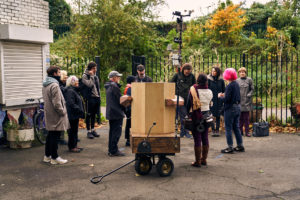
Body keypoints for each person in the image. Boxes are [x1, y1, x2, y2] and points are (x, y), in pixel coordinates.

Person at [42, 66, 69, 165]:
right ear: (54, 74)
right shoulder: (55, 85)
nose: (60, 74)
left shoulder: (45, 84)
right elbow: (57, 103)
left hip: (49, 113)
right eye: (58, 73)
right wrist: (62, 112)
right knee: (55, 136)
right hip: (56, 115)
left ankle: (47, 156)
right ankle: (55, 157)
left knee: (50, 135)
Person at [186, 73, 213, 167]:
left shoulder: (193, 90)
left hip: (196, 117)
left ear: (197, 81)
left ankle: (197, 161)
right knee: (205, 137)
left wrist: (187, 114)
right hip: (207, 116)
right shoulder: (210, 91)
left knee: (197, 138)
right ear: (206, 81)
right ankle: (204, 160)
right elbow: (210, 103)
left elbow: (188, 103)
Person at [218, 68, 245, 153]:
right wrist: (225, 95)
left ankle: (230, 147)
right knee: (236, 127)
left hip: (230, 108)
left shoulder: (229, 85)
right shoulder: (236, 84)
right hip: (237, 107)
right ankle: (240, 145)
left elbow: (227, 99)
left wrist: (220, 97)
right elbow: (233, 95)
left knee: (228, 128)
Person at [170, 63, 196, 138]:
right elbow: (171, 83)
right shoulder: (177, 75)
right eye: (186, 71)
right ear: (183, 70)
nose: (187, 73)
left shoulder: (192, 76)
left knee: (186, 115)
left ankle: (183, 132)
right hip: (179, 98)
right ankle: (186, 132)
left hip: (189, 98)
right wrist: (175, 92)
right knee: (183, 115)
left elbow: (194, 86)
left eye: (189, 71)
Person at [104, 71, 125, 156]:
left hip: (112, 112)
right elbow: (120, 99)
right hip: (116, 113)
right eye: (118, 77)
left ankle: (111, 149)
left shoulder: (109, 85)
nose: (119, 78)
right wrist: (125, 109)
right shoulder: (114, 86)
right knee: (116, 132)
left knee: (112, 132)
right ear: (114, 77)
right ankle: (114, 150)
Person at [64, 76, 85, 153]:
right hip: (72, 114)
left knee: (75, 130)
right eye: (76, 81)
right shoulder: (70, 91)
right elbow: (71, 103)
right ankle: (72, 146)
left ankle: (75, 145)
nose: (78, 83)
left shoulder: (74, 90)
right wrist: (79, 109)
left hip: (74, 114)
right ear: (72, 83)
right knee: (72, 131)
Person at [82, 62, 100, 139]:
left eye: (95, 68)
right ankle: (88, 131)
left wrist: (99, 97)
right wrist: (91, 76)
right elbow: (89, 85)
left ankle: (93, 129)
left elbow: (97, 87)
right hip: (90, 98)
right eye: (93, 68)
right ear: (90, 69)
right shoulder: (85, 76)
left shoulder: (95, 76)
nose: (95, 70)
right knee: (89, 114)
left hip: (96, 97)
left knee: (94, 114)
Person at [208, 66, 225, 137]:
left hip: (219, 100)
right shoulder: (208, 80)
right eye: (212, 71)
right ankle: (213, 129)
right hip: (211, 100)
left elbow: (224, 90)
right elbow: (207, 90)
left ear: (217, 72)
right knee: (211, 115)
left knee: (218, 115)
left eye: (214, 71)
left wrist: (222, 95)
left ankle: (217, 130)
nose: (213, 72)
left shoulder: (221, 80)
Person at [237, 67, 254, 137]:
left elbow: (252, 89)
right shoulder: (237, 81)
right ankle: (240, 131)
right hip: (239, 102)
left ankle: (247, 131)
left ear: (245, 73)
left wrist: (249, 95)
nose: (242, 73)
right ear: (239, 73)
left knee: (246, 118)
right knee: (240, 118)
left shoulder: (249, 80)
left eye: (243, 72)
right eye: (240, 72)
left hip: (247, 102)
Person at [124, 75, 136, 147]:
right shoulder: (130, 89)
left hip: (128, 109)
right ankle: (128, 139)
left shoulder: (128, 88)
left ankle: (128, 139)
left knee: (129, 123)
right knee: (130, 124)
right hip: (130, 109)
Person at [58, 70, 68, 145]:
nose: (66, 77)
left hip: (64, 103)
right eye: (65, 75)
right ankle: (60, 139)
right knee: (61, 121)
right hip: (61, 104)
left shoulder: (63, 83)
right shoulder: (59, 84)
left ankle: (62, 138)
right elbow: (64, 91)